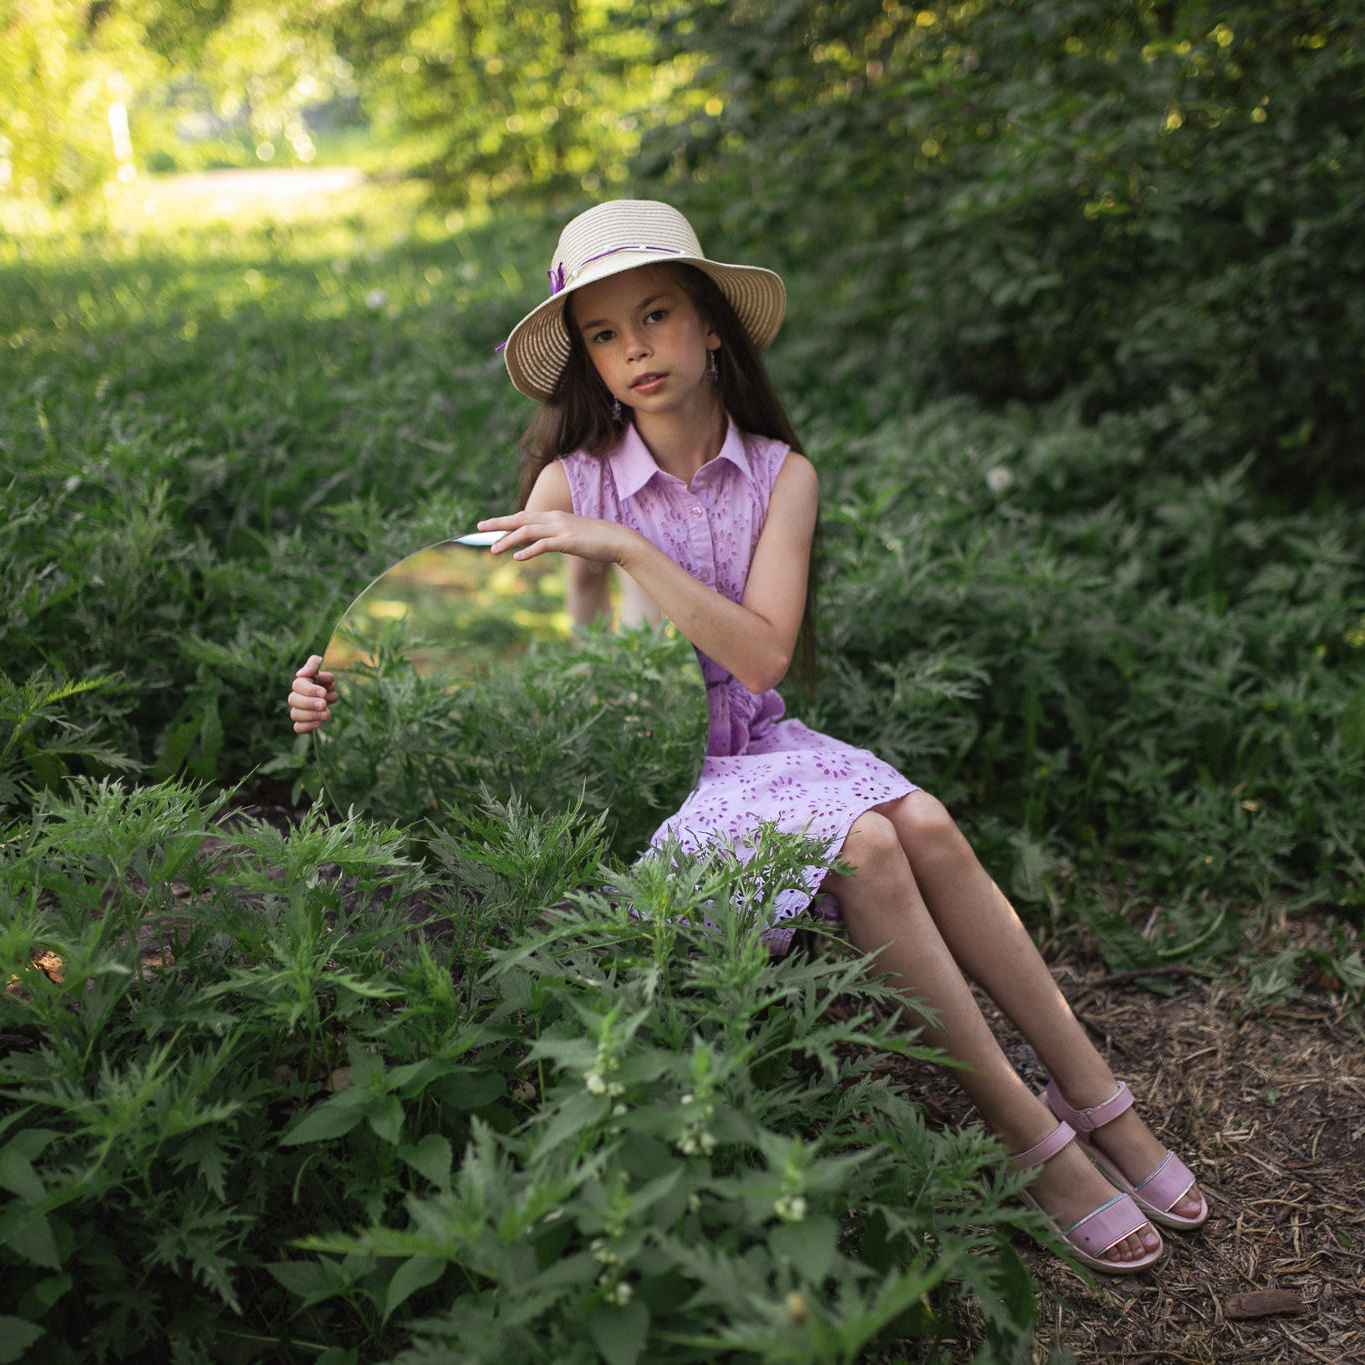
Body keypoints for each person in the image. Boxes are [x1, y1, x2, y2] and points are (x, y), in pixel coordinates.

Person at [285, 200, 1206, 1273]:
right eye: (602, 332)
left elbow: (763, 659)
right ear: (584, 354)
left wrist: (628, 549)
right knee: (866, 845)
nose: (633, 347)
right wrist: (339, 689)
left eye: (658, 314)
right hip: (657, 784)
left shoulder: (781, 475)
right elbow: (488, 670)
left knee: (929, 826)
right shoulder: (567, 486)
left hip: (758, 749)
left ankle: (1093, 1097)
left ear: (711, 325)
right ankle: (1027, 1137)